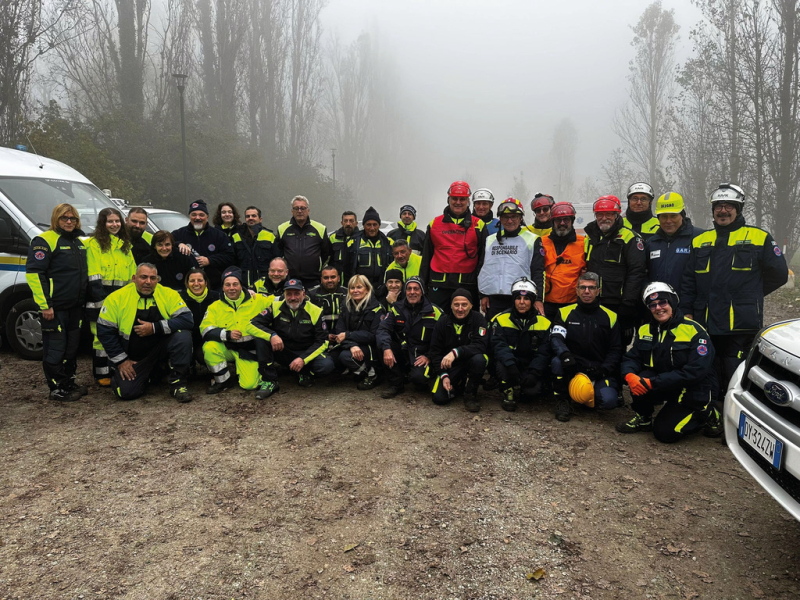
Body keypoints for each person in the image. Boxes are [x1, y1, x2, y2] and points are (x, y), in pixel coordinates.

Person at [681, 183, 788, 413]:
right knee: (708, 365)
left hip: (740, 322)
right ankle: (713, 411)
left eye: (728, 206)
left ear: (738, 209)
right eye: (718, 206)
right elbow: (689, 280)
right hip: (705, 319)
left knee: (735, 369)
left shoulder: (759, 237)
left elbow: (779, 274)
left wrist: (750, 296)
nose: (723, 211)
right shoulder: (701, 241)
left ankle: (738, 413)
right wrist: (688, 310)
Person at [616, 282, 719, 443]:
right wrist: (629, 375)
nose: (658, 308)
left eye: (662, 302)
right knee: (640, 377)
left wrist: (652, 383)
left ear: (672, 302)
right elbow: (632, 358)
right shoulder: (645, 330)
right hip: (663, 383)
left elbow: (695, 372)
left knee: (665, 433)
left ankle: (709, 414)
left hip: (692, 389)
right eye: (652, 305)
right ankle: (643, 418)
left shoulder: (694, 331)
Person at [96, 263, 194, 402]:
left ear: (157, 280)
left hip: (160, 351)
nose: (148, 282)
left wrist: (154, 328)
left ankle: (178, 384)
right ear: (134, 278)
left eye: (153, 278)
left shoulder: (168, 294)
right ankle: (152, 374)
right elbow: (104, 331)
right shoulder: (116, 298)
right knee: (126, 392)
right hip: (133, 358)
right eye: (143, 277)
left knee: (183, 336)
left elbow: (187, 320)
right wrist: (122, 361)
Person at [26, 203, 89, 402]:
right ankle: (57, 388)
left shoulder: (79, 243)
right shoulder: (44, 241)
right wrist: (45, 305)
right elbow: (35, 274)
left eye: (73, 218)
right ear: (56, 219)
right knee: (55, 348)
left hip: (75, 306)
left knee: (71, 348)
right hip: (55, 308)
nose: (69, 221)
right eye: (64, 218)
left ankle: (68, 382)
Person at [550, 272, 623, 421]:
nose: (587, 291)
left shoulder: (611, 316)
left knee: (608, 401)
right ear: (576, 290)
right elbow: (556, 339)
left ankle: (587, 396)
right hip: (573, 365)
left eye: (591, 288)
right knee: (557, 361)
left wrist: (603, 370)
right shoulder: (564, 313)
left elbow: (616, 349)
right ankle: (563, 400)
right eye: (582, 287)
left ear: (598, 291)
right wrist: (565, 355)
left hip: (598, 368)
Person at [200, 267, 274, 396]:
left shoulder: (257, 300)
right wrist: (227, 334)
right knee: (209, 347)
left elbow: (279, 301)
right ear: (222, 287)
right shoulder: (214, 307)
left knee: (250, 385)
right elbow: (205, 330)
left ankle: (248, 372)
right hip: (227, 347)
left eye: (235, 284)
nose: (231, 288)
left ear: (241, 286)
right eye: (227, 285)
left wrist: (301, 296)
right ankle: (223, 381)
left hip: (248, 351)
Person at [250, 278, 335, 389]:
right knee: (261, 338)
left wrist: (303, 359)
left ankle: (304, 371)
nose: (293, 298)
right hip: (284, 350)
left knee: (326, 365)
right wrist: (272, 335)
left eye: (297, 293)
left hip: (306, 352)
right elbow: (251, 324)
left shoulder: (316, 311)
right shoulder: (275, 307)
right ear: (284, 294)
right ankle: (269, 380)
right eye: (289, 294)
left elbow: (323, 341)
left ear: (303, 294)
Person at [583, 195, 646, 343]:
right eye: (600, 214)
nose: (604, 218)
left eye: (609, 214)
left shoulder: (630, 238)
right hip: (594, 303)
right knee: (593, 344)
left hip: (620, 305)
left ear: (617, 215)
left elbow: (636, 273)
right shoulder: (590, 237)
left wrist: (628, 305)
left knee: (618, 347)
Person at [86, 207, 137, 385]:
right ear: (102, 223)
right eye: (110, 221)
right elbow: (93, 276)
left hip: (121, 299)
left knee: (120, 335)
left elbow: (132, 275)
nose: (114, 224)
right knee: (100, 337)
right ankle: (101, 374)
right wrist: (101, 302)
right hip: (100, 298)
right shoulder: (94, 244)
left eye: (117, 221)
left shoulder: (125, 245)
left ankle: (117, 370)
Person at [420, 181, 487, 309]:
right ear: (448, 199)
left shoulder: (479, 225)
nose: (458, 202)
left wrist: (482, 290)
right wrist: (422, 285)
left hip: (467, 285)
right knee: (436, 323)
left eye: (462, 199)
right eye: (454, 198)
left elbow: (483, 260)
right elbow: (426, 257)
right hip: (438, 284)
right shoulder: (435, 223)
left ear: (468, 201)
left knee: (466, 325)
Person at [489, 278, 552, 412]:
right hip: (510, 364)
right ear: (513, 300)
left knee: (531, 393)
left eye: (526, 299)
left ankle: (524, 388)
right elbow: (498, 346)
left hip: (530, 366)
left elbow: (544, 352)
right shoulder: (500, 319)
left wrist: (534, 373)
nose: (522, 302)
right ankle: (508, 391)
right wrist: (511, 365)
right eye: (518, 298)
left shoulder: (544, 323)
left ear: (533, 300)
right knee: (501, 363)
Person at [377, 276, 443, 398]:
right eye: (409, 289)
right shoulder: (397, 308)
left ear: (422, 291)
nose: (412, 292)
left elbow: (444, 338)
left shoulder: (435, 311)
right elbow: (383, 329)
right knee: (384, 344)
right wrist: (386, 348)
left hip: (423, 354)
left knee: (419, 379)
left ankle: (428, 375)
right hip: (405, 351)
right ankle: (396, 384)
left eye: (416, 289)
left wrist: (429, 356)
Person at [478, 198, 542, 320]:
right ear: (500, 219)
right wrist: (483, 295)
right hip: (494, 299)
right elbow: (483, 268)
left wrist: (538, 299)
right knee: (494, 335)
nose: (510, 220)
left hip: (521, 298)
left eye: (514, 217)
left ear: (520, 218)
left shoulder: (532, 239)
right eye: (505, 217)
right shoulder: (490, 239)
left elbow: (538, 271)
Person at [428, 288, 489, 412]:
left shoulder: (478, 319)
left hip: (470, 361)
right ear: (451, 305)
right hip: (450, 365)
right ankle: (459, 384)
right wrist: (444, 375)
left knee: (480, 359)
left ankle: (470, 394)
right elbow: (435, 352)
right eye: (456, 305)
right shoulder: (443, 322)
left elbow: (481, 345)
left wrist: (456, 352)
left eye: (464, 305)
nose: (460, 309)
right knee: (439, 399)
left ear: (471, 305)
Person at [329, 275, 386, 390]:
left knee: (346, 356)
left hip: (371, 347)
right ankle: (359, 372)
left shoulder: (377, 308)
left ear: (367, 289)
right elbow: (340, 332)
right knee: (331, 360)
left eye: (359, 287)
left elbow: (373, 336)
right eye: (352, 288)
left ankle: (372, 374)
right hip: (352, 344)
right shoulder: (346, 306)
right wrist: (352, 345)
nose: (355, 291)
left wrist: (348, 335)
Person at [535, 202, 586, 322]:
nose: (562, 223)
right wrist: (537, 299)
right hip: (546, 304)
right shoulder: (541, 242)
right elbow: (536, 272)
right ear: (552, 221)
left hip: (573, 304)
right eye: (558, 220)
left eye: (566, 219)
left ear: (572, 221)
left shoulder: (584, 243)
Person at [644, 192, 702, 295]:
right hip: (659, 306)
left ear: (682, 215)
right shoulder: (651, 243)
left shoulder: (699, 238)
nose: (668, 221)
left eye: (673, 216)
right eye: (664, 216)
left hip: (690, 307)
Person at [173, 199, 235, 290]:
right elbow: (163, 245)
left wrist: (209, 260)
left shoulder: (219, 235)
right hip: (185, 288)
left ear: (207, 217)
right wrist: (178, 244)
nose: (197, 218)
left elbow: (230, 256)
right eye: (194, 215)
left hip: (213, 287)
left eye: (201, 215)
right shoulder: (178, 234)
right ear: (189, 216)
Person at [275, 195, 331, 288]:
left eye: (302, 208)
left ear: (308, 210)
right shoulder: (282, 228)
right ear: (292, 211)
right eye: (296, 208)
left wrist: (319, 269)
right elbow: (278, 254)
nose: (299, 211)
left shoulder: (320, 228)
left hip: (313, 280)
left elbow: (326, 254)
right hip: (290, 279)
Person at [179, 267, 220, 372]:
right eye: (192, 281)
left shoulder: (217, 297)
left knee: (203, 356)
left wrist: (250, 293)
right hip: (187, 340)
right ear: (187, 283)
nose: (196, 284)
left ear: (206, 282)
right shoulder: (179, 298)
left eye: (200, 280)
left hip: (209, 339)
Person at [232, 206, 277, 288]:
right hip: (243, 285)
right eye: (247, 216)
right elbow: (233, 262)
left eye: (253, 216)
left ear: (260, 219)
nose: (250, 218)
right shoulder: (236, 237)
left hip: (264, 286)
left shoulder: (270, 236)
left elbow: (276, 261)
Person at [350, 206, 393, 289]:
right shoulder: (354, 242)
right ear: (363, 226)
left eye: (375, 224)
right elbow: (347, 267)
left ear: (379, 225)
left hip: (382, 287)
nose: (372, 228)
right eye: (368, 225)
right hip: (360, 287)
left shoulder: (388, 242)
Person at [307, 264, 347, 332]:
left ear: (338, 278)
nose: (329, 280)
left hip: (343, 335)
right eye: (326, 278)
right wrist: (325, 335)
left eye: (333, 277)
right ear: (321, 279)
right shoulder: (312, 294)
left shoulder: (347, 293)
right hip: (319, 334)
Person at [329, 211, 359, 278]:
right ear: (342, 223)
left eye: (351, 221)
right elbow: (327, 259)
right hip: (337, 280)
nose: (348, 224)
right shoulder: (333, 237)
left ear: (356, 223)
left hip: (355, 280)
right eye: (345, 221)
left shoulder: (361, 238)